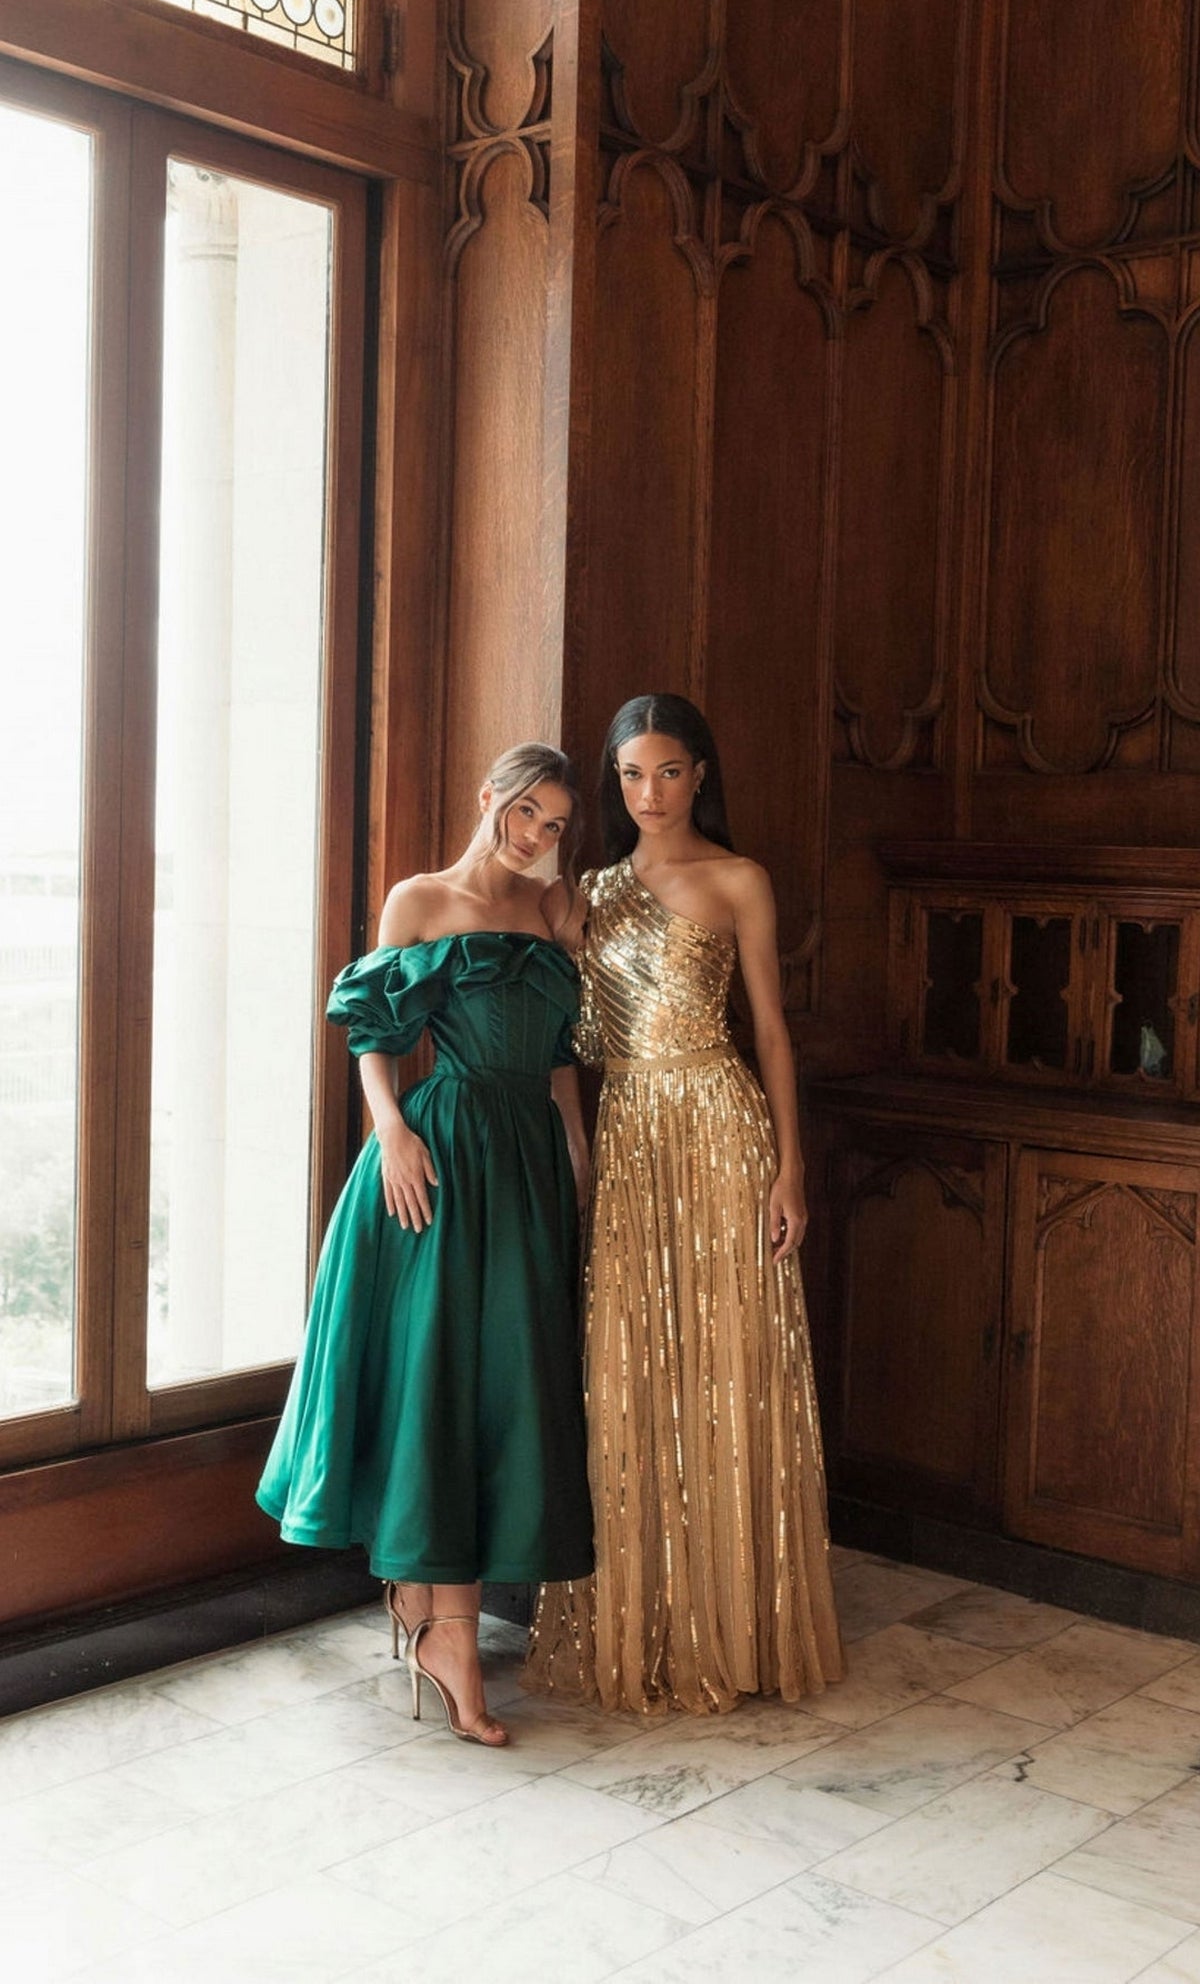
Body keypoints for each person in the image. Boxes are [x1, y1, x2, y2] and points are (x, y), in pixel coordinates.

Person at [257, 743, 594, 1748]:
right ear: (490, 796)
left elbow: (561, 1056)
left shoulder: (554, 908)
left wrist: (576, 1154)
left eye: (555, 825)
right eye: (526, 812)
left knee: (500, 1384)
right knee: (439, 1377)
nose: (537, 836)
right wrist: (392, 1130)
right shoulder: (421, 899)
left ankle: (426, 1605)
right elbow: (372, 1032)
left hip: (526, 1165)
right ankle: (448, 1634)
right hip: (437, 1160)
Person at [525, 695, 844, 1716]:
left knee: (729, 1364)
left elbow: (772, 1032)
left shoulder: (739, 879)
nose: (649, 792)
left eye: (667, 771)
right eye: (630, 774)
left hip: (719, 1128)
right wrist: (575, 1149)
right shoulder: (588, 892)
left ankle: (740, 1626)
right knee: (628, 1371)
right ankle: (646, 1620)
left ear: (701, 773)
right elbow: (561, 1038)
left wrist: (791, 1170)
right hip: (626, 1136)